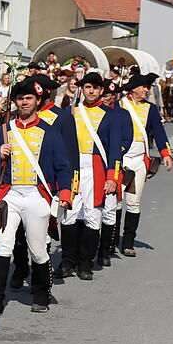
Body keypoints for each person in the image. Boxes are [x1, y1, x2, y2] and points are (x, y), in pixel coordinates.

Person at [0, 77, 73, 313]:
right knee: (3, 245)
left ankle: (41, 294)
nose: (24, 102)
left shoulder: (49, 130)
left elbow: (63, 166)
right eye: (20, 98)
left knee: (37, 249)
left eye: (28, 98)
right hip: (11, 194)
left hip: (37, 195)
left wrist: (65, 192)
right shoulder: (4, 130)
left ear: (37, 101)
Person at [55, 72, 123, 281]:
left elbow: (115, 150)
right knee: (69, 215)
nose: (91, 91)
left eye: (95, 87)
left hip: (97, 170)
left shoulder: (111, 115)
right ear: (81, 89)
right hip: (73, 169)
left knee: (93, 216)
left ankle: (85, 263)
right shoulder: (70, 113)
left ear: (102, 91)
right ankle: (67, 261)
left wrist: (113, 176)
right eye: (87, 87)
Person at [119, 73, 173, 256]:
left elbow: (158, 132)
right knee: (115, 202)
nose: (147, 90)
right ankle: (108, 243)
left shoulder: (150, 109)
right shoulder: (119, 104)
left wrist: (166, 154)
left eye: (148, 87)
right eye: (144, 86)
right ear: (134, 88)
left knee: (133, 203)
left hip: (139, 160)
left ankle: (127, 243)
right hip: (120, 160)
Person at [97, 79, 132, 266]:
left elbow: (128, 137)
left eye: (108, 95)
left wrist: (117, 152)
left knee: (110, 208)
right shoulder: (92, 113)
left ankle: (106, 249)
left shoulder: (121, 114)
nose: (104, 98)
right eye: (102, 95)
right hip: (93, 165)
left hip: (112, 163)